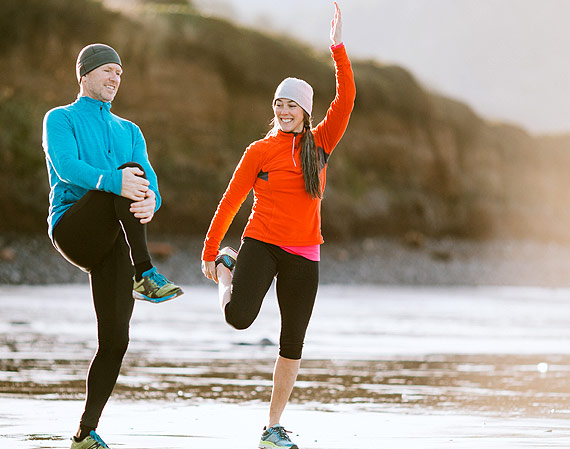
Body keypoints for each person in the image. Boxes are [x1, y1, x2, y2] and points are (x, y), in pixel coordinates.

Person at [201, 3, 355, 448]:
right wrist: (212, 252)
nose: (284, 110)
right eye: (278, 104)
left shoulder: (321, 144)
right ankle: (229, 270)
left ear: (306, 111)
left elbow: (346, 98)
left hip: (304, 253)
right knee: (238, 318)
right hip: (261, 243)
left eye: (292, 105)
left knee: (293, 343)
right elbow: (230, 201)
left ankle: (272, 427)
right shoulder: (259, 151)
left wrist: (337, 48)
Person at [42, 43, 184, 449]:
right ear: (84, 75)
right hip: (73, 226)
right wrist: (115, 182)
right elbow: (66, 167)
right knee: (123, 173)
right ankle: (146, 273)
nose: (114, 78)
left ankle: (85, 433)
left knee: (116, 341)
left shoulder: (130, 130)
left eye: (119, 74)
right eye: (106, 71)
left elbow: (149, 182)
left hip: (115, 245)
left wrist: (150, 201)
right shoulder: (60, 118)